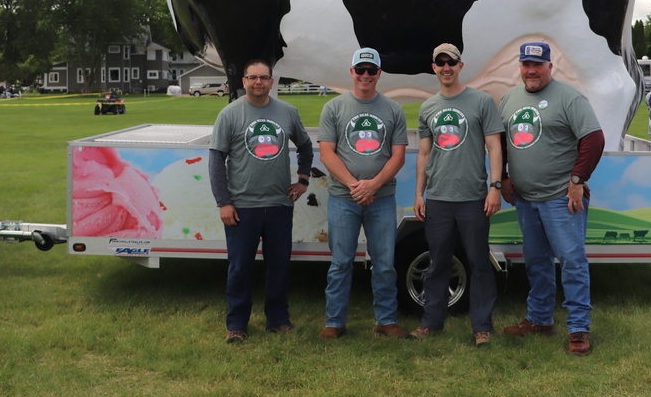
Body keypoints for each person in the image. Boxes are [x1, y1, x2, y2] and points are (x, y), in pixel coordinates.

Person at [499, 42, 605, 355]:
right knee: (536, 263)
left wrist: (577, 181)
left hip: (561, 198)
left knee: (572, 263)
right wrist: (505, 177)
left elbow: (593, 139)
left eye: (537, 64)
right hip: (526, 199)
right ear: (520, 66)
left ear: (549, 67)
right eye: (526, 64)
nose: (531, 70)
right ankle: (540, 319)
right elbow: (501, 142)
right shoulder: (509, 98)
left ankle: (578, 330)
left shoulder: (569, 97)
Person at [209, 59, 314, 344]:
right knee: (240, 267)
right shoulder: (230, 114)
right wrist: (223, 202)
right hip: (242, 206)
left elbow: (305, 146)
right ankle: (236, 324)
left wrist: (303, 180)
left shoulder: (287, 112)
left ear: (271, 81)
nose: (258, 82)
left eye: (264, 77)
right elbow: (216, 160)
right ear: (243, 81)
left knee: (279, 265)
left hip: (279, 204)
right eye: (252, 77)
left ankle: (278, 319)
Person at [412, 43, 504, 347]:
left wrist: (495, 186)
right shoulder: (428, 108)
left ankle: (481, 326)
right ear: (434, 68)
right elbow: (424, 154)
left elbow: (494, 146)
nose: (446, 67)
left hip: (474, 198)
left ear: (460, 66)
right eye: (440, 63)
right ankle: (431, 322)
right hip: (438, 198)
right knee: (437, 263)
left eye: (451, 62)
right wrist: (419, 194)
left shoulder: (481, 102)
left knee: (479, 262)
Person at [317, 47, 411, 340]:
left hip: (381, 199)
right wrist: (354, 186)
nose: (366, 76)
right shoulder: (334, 108)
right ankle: (334, 322)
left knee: (384, 263)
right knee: (340, 263)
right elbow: (326, 153)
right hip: (343, 199)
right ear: (352, 72)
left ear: (379, 74)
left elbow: (398, 156)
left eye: (372, 71)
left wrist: (373, 185)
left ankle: (386, 319)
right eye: (361, 70)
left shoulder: (393, 109)